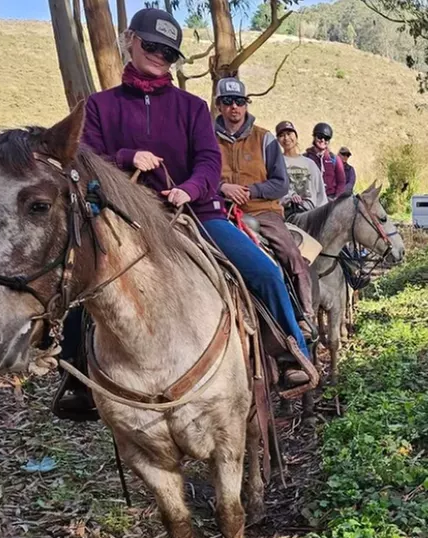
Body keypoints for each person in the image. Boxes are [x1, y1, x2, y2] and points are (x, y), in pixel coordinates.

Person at [54, 7, 315, 419]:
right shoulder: (99, 106)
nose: (160, 55)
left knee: (263, 271)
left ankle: (290, 352)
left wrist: (188, 189)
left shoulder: (192, 107)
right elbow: (84, 159)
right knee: (78, 283)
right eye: (152, 46)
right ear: (130, 41)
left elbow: (209, 163)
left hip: (194, 213)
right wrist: (126, 155)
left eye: (169, 52)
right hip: (124, 217)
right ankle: (77, 376)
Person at [213, 79, 315, 333]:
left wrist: (251, 191)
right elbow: (199, 172)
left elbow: (281, 184)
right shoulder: (206, 138)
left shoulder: (265, 138)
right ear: (219, 106)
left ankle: (304, 314)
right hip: (218, 210)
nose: (234, 107)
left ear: (246, 105)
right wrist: (222, 188)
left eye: (239, 102)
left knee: (290, 253)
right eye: (227, 102)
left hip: (263, 210)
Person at [275, 120, 327, 213]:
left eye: (289, 133)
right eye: (281, 135)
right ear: (278, 140)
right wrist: (289, 197)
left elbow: (320, 194)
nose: (286, 138)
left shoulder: (310, 164)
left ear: (296, 136)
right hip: (289, 212)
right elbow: (276, 188)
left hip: (311, 213)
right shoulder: (277, 163)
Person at [303, 122, 347, 200]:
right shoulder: (305, 158)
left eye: (326, 138)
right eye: (320, 137)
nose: (323, 140)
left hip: (331, 198)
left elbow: (341, 182)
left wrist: (336, 199)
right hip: (311, 199)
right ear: (314, 137)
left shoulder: (334, 159)